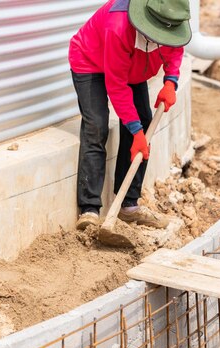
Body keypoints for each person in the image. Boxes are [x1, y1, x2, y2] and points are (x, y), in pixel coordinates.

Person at [69, 0, 191, 230]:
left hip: (134, 67)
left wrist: (170, 81)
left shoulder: (170, 19)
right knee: (97, 127)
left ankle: (128, 206)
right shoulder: (118, 26)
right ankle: (90, 210)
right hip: (91, 60)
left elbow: (175, 49)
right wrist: (135, 132)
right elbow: (116, 85)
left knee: (144, 124)